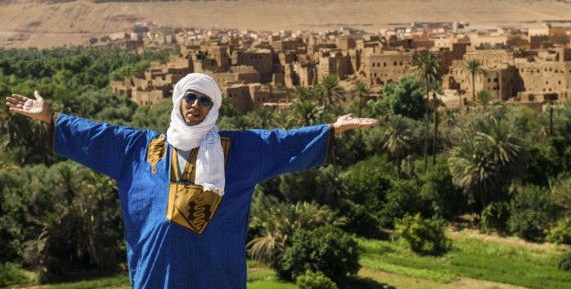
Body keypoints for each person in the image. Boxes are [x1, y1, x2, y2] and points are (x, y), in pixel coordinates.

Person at [6, 73, 379, 289]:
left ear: (214, 107)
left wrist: (332, 129)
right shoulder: (139, 148)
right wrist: (51, 117)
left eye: (205, 100)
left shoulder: (240, 150)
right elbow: (96, 135)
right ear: (178, 100)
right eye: (190, 97)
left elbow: (283, 141)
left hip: (215, 277)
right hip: (157, 276)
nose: (195, 106)